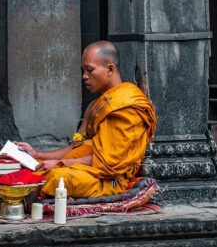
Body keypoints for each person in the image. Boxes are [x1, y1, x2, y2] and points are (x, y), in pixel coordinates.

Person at [15, 41, 157, 198]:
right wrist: (38, 154)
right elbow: (75, 147)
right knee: (30, 169)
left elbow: (109, 163)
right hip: (82, 168)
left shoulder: (126, 106)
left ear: (110, 69)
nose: (84, 76)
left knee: (56, 179)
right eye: (83, 70)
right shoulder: (95, 106)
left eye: (90, 70)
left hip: (107, 179)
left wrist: (62, 164)